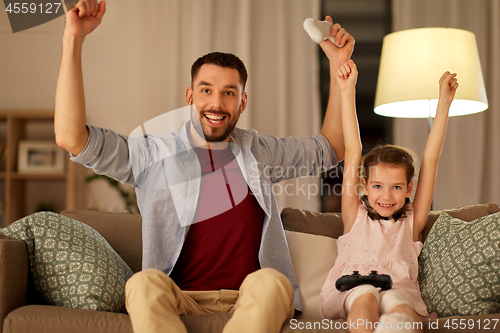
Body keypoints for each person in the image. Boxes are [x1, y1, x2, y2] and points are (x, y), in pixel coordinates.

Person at [54, 1, 355, 333]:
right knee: (142, 284)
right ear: (190, 96)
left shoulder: (259, 152)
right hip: (181, 298)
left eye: (229, 93)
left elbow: (331, 148)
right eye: (206, 90)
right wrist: (74, 38)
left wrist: (337, 64)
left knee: (272, 282)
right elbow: (72, 138)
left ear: (242, 102)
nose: (216, 103)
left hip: (251, 297)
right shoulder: (154, 155)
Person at [319, 60, 458, 333]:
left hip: (399, 289)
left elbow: (430, 160)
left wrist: (444, 103)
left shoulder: (412, 220)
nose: (386, 196)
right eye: (378, 186)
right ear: (365, 187)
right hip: (354, 288)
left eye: (396, 187)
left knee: (399, 305)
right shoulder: (354, 214)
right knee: (366, 296)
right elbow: (352, 148)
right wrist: (347, 90)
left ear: (409, 189)